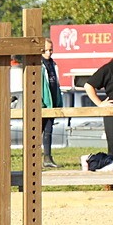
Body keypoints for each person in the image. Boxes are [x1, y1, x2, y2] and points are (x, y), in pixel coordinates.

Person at [41, 38, 63, 167]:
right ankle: (32, 159)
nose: (48, 53)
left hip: (52, 103)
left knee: (48, 131)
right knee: (35, 132)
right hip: (41, 104)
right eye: (45, 50)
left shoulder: (53, 64)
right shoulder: (39, 64)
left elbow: (56, 84)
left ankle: (47, 158)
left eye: (50, 50)